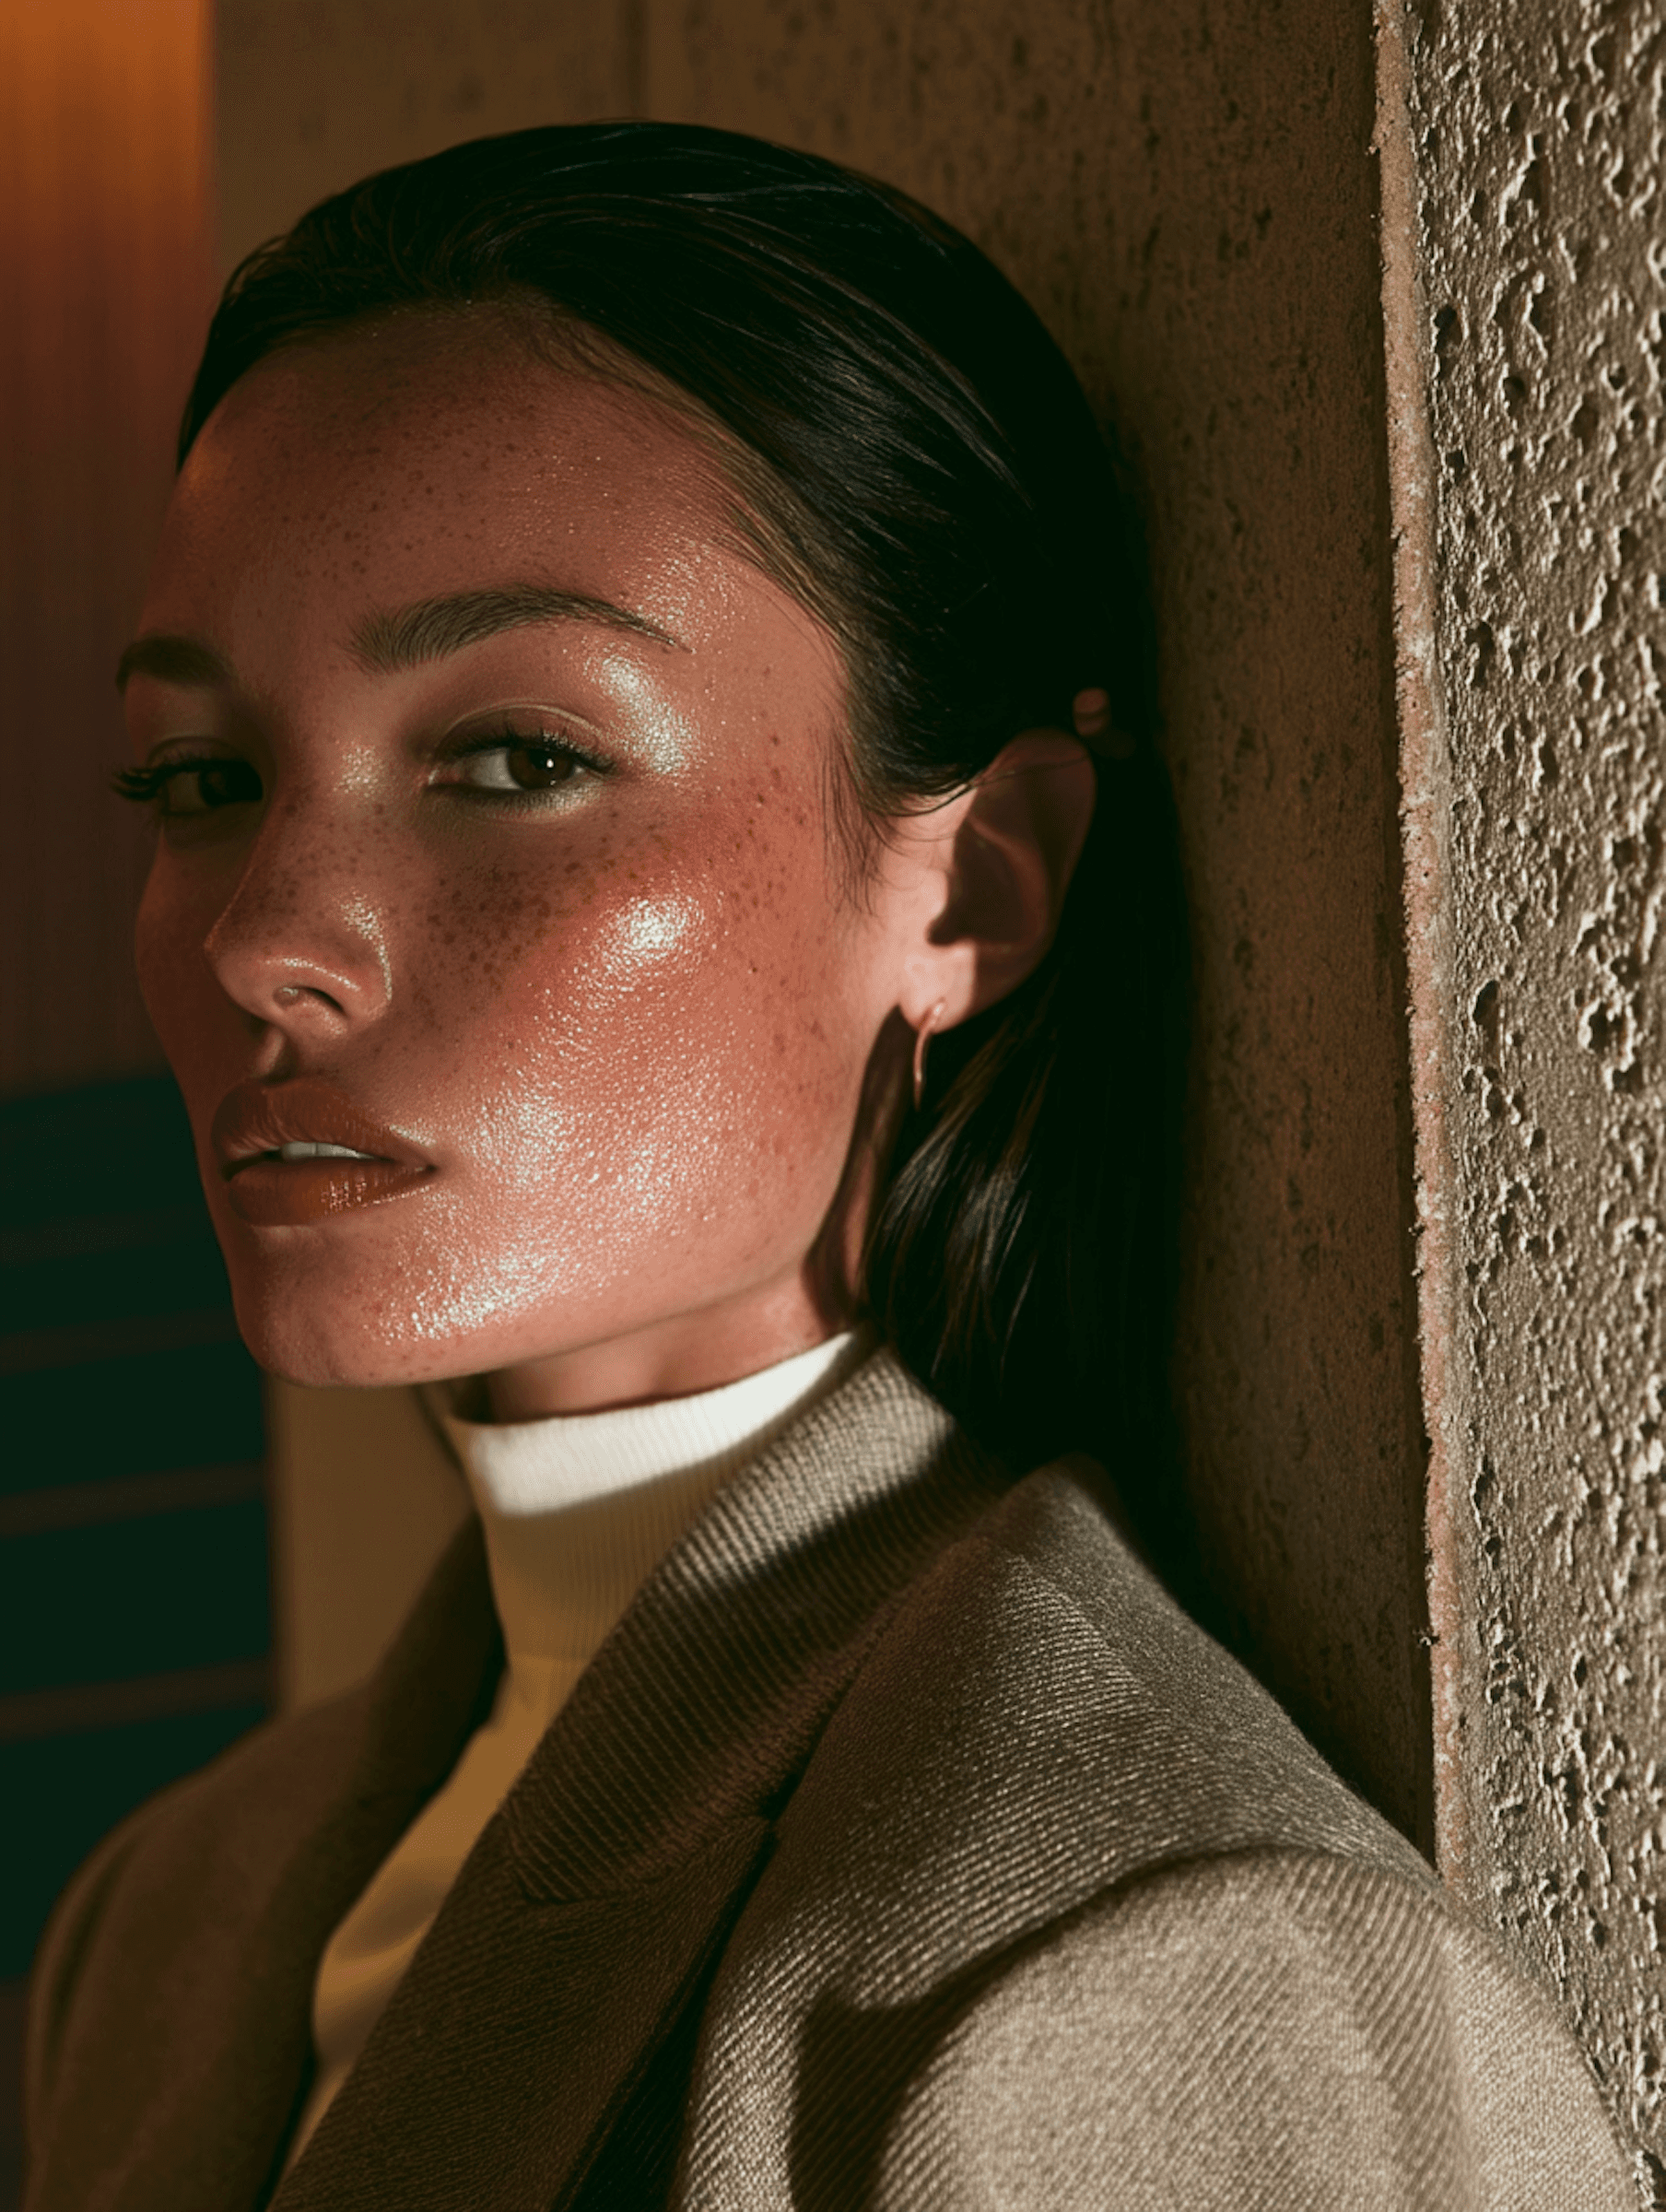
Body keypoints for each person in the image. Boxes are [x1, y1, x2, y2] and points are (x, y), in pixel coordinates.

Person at [23, 123, 1626, 2209]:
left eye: (519, 759)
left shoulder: (1133, 1971)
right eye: (201, 778)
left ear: (971, 884)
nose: (259, 937)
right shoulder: (169, 1910)